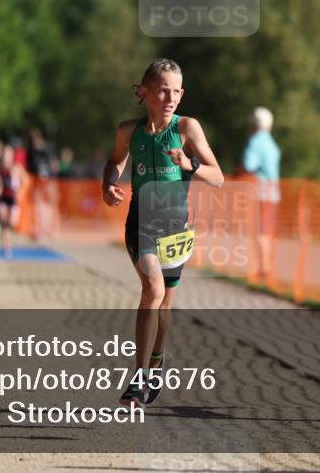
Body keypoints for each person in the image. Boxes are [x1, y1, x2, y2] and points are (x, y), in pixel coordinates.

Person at [102, 58, 224, 408]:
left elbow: (218, 177)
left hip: (176, 228)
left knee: (165, 305)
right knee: (152, 289)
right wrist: (108, 184)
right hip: (141, 220)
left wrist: (191, 165)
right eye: (162, 90)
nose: (170, 97)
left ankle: (156, 361)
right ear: (145, 92)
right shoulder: (129, 131)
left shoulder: (188, 129)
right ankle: (139, 381)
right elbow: (115, 161)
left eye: (176, 91)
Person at [242, 106, 281, 283]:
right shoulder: (272, 143)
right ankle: (265, 267)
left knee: (259, 231)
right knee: (266, 230)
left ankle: (263, 268)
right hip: (273, 191)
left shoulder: (255, 141)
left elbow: (248, 165)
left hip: (260, 190)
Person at [0, 144, 24, 258]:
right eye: (5, 155)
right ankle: (6, 247)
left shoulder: (17, 168)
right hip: (3, 198)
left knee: (11, 223)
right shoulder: (0, 169)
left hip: (13, 199)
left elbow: (24, 182)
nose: (6, 157)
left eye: (9, 155)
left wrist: (19, 190)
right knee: (4, 223)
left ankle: (8, 244)